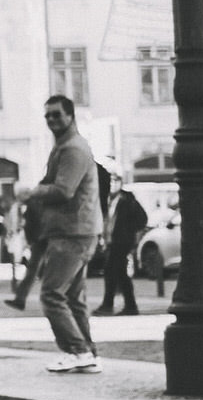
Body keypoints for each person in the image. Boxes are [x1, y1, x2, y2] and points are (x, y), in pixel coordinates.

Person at [33, 95, 103, 371]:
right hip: (77, 230)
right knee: (73, 298)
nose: (51, 120)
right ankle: (88, 354)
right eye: (47, 115)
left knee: (51, 294)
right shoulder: (67, 146)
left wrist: (32, 192)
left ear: (70, 116)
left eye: (56, 114)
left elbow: (64, 190)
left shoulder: (73, 149)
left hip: (72, 231)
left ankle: (77, 350)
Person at [104, 179, 148, 317]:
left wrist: (128, 231)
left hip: (122, 242)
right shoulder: (107, 199)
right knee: (112, 272)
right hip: (112, 241)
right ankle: (113, 304)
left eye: (115, 181)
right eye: (110, 182)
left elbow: (142, 219)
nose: (112, 185)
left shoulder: (128, 200)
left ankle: (126, 305)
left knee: (118, 272)